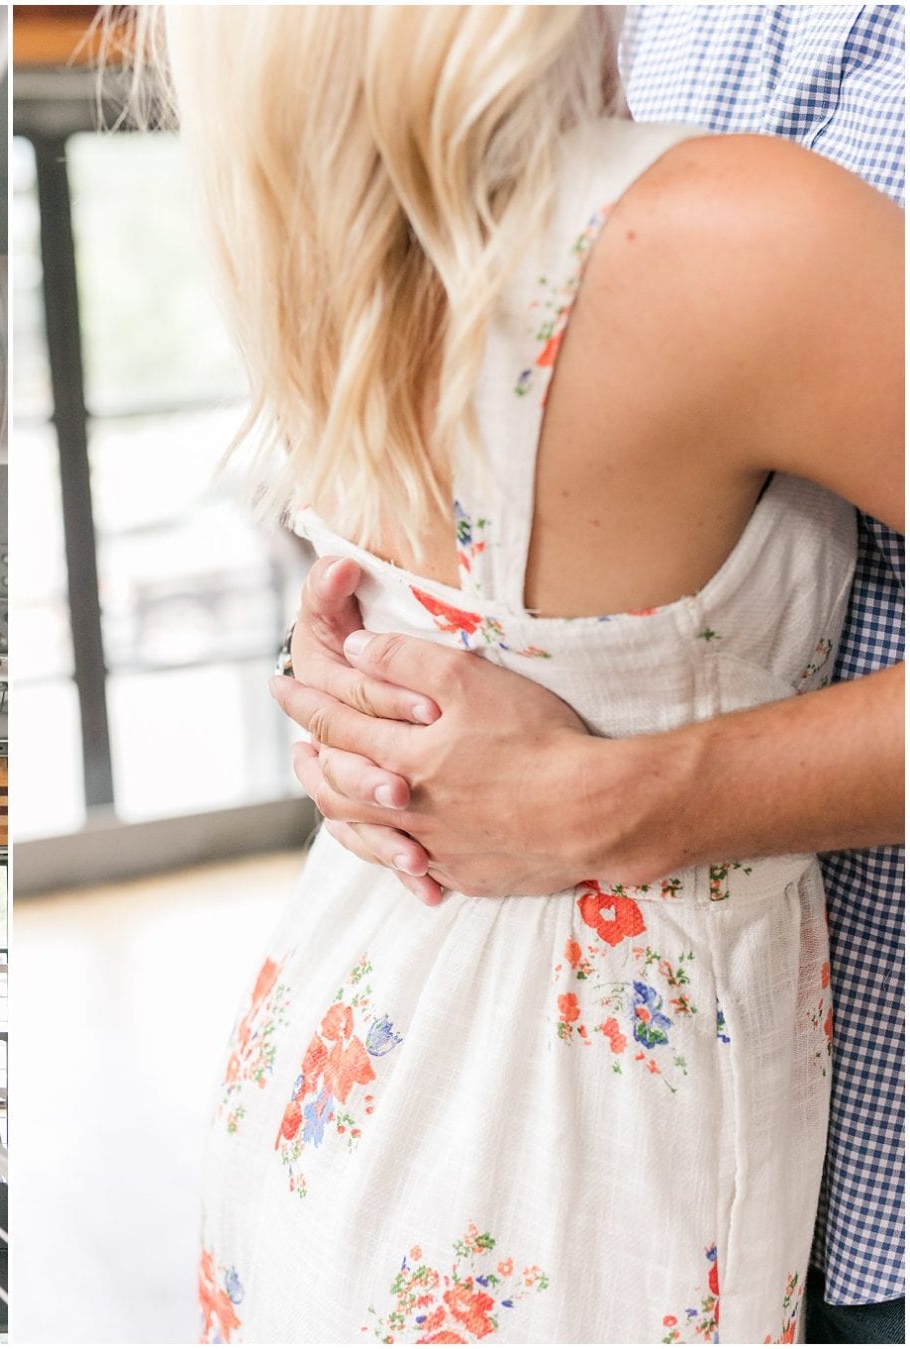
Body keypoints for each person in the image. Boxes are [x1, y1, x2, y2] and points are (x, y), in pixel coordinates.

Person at [146, 5, 902, 1341]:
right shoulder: (726, 229)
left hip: (349, 1068)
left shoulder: (334, 231)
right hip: (585, 1146)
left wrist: (603, 784)